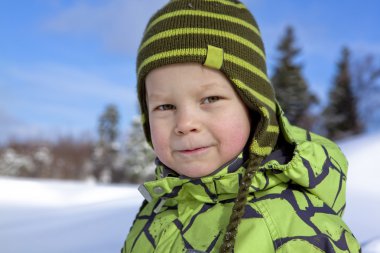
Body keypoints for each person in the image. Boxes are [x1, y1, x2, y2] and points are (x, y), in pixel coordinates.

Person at [121, 0, 361, 252]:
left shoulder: (294, 231)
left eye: (210, 99)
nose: (185, 124)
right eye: (165, 107)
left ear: (254, 107)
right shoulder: (158, 206)